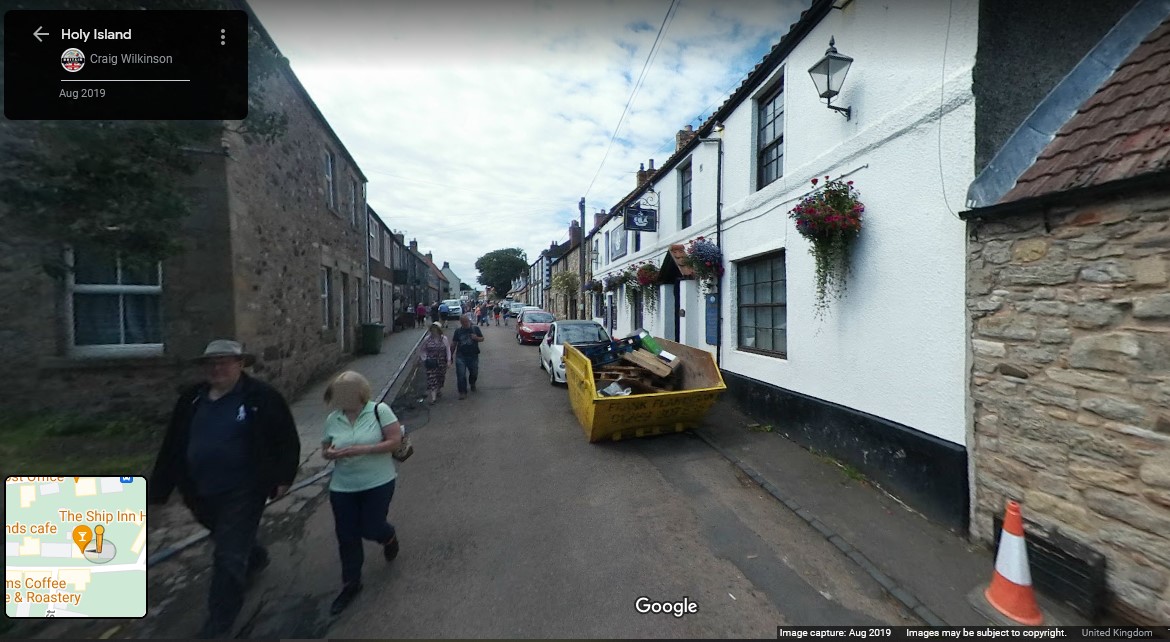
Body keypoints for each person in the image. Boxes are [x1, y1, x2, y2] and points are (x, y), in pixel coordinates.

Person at [148, 340, 301, 638]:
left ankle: (218, 624)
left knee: (227, 555)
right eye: (211, 363)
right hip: (199, 490)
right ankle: (255, 556)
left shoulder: (261, 397)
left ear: (240, 364)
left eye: (225, 362)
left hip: (245, 488)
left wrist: (283, 476)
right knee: (228, 538)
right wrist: (159, 490)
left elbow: (286, 438)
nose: (217, 368)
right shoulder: (191, 399)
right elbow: (173, 445)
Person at [320, 371, 403, 615]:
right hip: (343, 486)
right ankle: (351, 583)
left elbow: (395, 441)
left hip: (378, 482)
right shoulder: (333, 418)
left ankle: (388, 536)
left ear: (360, 391)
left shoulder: (379, 410)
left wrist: (364, 449)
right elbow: (325, 447)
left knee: (371, 527)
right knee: (347, 535)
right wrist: (330, 453)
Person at [452, 314, 485, 400]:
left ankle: (472, 382)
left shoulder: (475, 329)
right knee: (461, 374)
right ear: (461, 323)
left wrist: (476, 338)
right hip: (461, 356)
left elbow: (482, 338)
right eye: (463, 322)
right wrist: (450, 355)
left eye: (467, 321)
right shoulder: (458, 331)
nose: (465, 323)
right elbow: (454, 343)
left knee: (474, 372)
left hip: (473, 355)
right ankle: (462, 392)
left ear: (469, 321)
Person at [420, 322, 451, 405]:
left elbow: (448, 349)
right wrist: (425, 359)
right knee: (432, 378)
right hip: (431, 362)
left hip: (441, 361)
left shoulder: (444, 339)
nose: (434, 331)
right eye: (432, 329)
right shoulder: (427, 339)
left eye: (435, 329)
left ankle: (438, 389)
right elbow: (423, 350)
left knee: (440, 377)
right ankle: (433, 398)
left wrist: (448, 360)